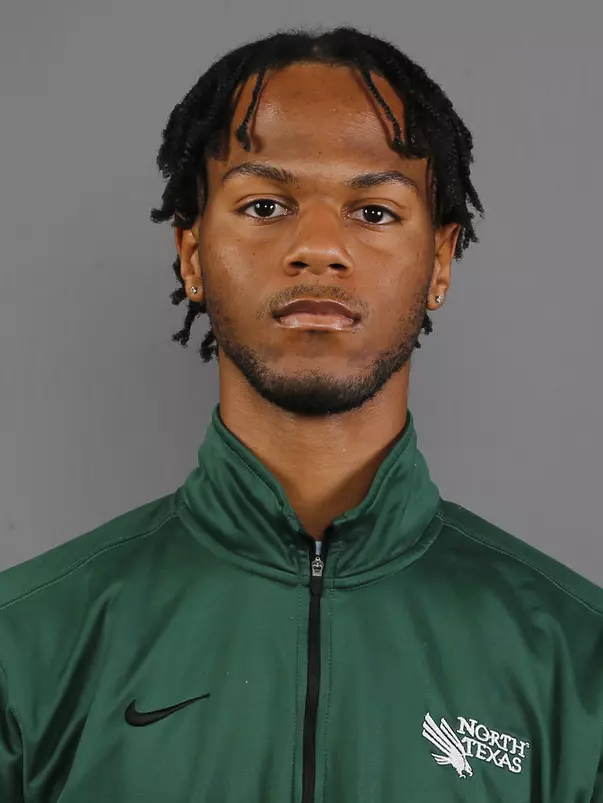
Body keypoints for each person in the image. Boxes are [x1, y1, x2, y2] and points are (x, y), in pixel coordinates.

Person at [0, 26, 601, 803]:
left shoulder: (576, 661)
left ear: (440, 261)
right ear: (192, 256)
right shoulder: (26, 649)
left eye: (375, 212)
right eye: (264, 203)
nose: (317, 246)